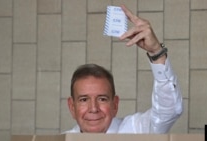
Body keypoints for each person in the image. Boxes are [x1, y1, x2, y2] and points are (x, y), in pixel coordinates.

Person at [62, 5, 183, 134]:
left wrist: (156, 52)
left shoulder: (135, 130)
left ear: (115, 105)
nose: (93, 108)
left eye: (102, 99)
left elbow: (168, 112)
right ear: (72, 107)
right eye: (84, 99)